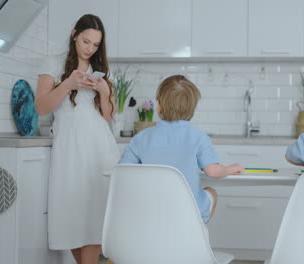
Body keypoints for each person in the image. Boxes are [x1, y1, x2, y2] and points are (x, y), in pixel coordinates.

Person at [35, 14, 119, 264]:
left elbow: (109, 116)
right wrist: (68, 84)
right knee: (71, 219)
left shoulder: (99, 70)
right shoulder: (52, 63)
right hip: (70, 152)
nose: (89, 49)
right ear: (74, 34)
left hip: (99, 152)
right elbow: (41, 107)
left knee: (93, 218)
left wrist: (105, 93)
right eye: (85, 41)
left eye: (95, 45)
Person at [119, 75, 244, 223]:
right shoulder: (198, 137)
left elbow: (123, 171)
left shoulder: (141, 137)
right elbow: (213, 171)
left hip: (150, 211)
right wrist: (231, 168)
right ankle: (196, 234)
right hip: (188, 212)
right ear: (192, 109)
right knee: (212, 192)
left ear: (159, 106)